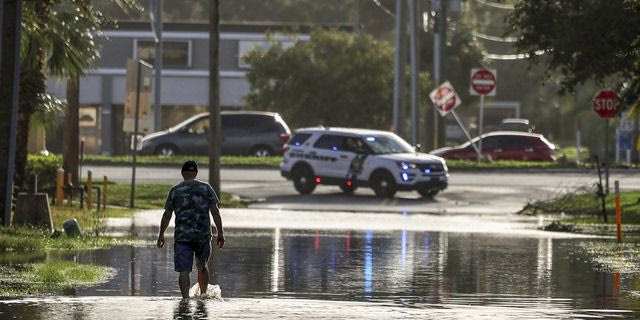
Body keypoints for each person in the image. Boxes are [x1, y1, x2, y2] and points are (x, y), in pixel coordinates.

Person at [157, 160, 225, 299]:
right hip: (203, 236)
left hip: (182, 238)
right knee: (202, 266)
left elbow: (167, 215)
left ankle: (185, 300)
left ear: (182, 173)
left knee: (184, 270)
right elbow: (215, 212)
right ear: (196, 173)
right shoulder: (206, 188)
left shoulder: (175, 190)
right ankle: (203, 297)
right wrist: (220, 233)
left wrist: (161, 234)